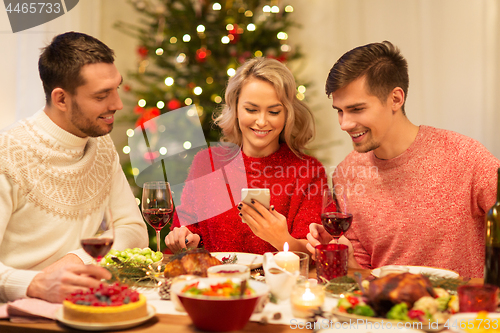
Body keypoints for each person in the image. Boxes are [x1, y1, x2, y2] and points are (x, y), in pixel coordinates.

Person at [306, 41, 500, 278]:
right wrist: (345, 255)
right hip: (382, 312)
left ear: (396, 99)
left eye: (356, 109)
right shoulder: (347, 173)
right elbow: (365, 274)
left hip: (458, 313)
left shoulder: (465, 156)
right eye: (339, 110)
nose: (344, 123)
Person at [0, 32, 149, 303]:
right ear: (61, 99)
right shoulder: (7, 155)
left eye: (116, 88)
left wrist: (75, 260)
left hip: (83, 307)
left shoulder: (101, 147)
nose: (117, 104)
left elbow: (134, 230)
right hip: (19, 317)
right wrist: (34, 283)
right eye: (102, 95)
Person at [165, 57, 327, 255]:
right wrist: (185, 239)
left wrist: (281, 239)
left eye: (274, 112)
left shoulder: (308, 171)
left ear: (288, 114)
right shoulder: (207, 162)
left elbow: (316, 253)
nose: (261, 121)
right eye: (251, 109)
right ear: (235, 109)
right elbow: (186, 230)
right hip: (216, 284)